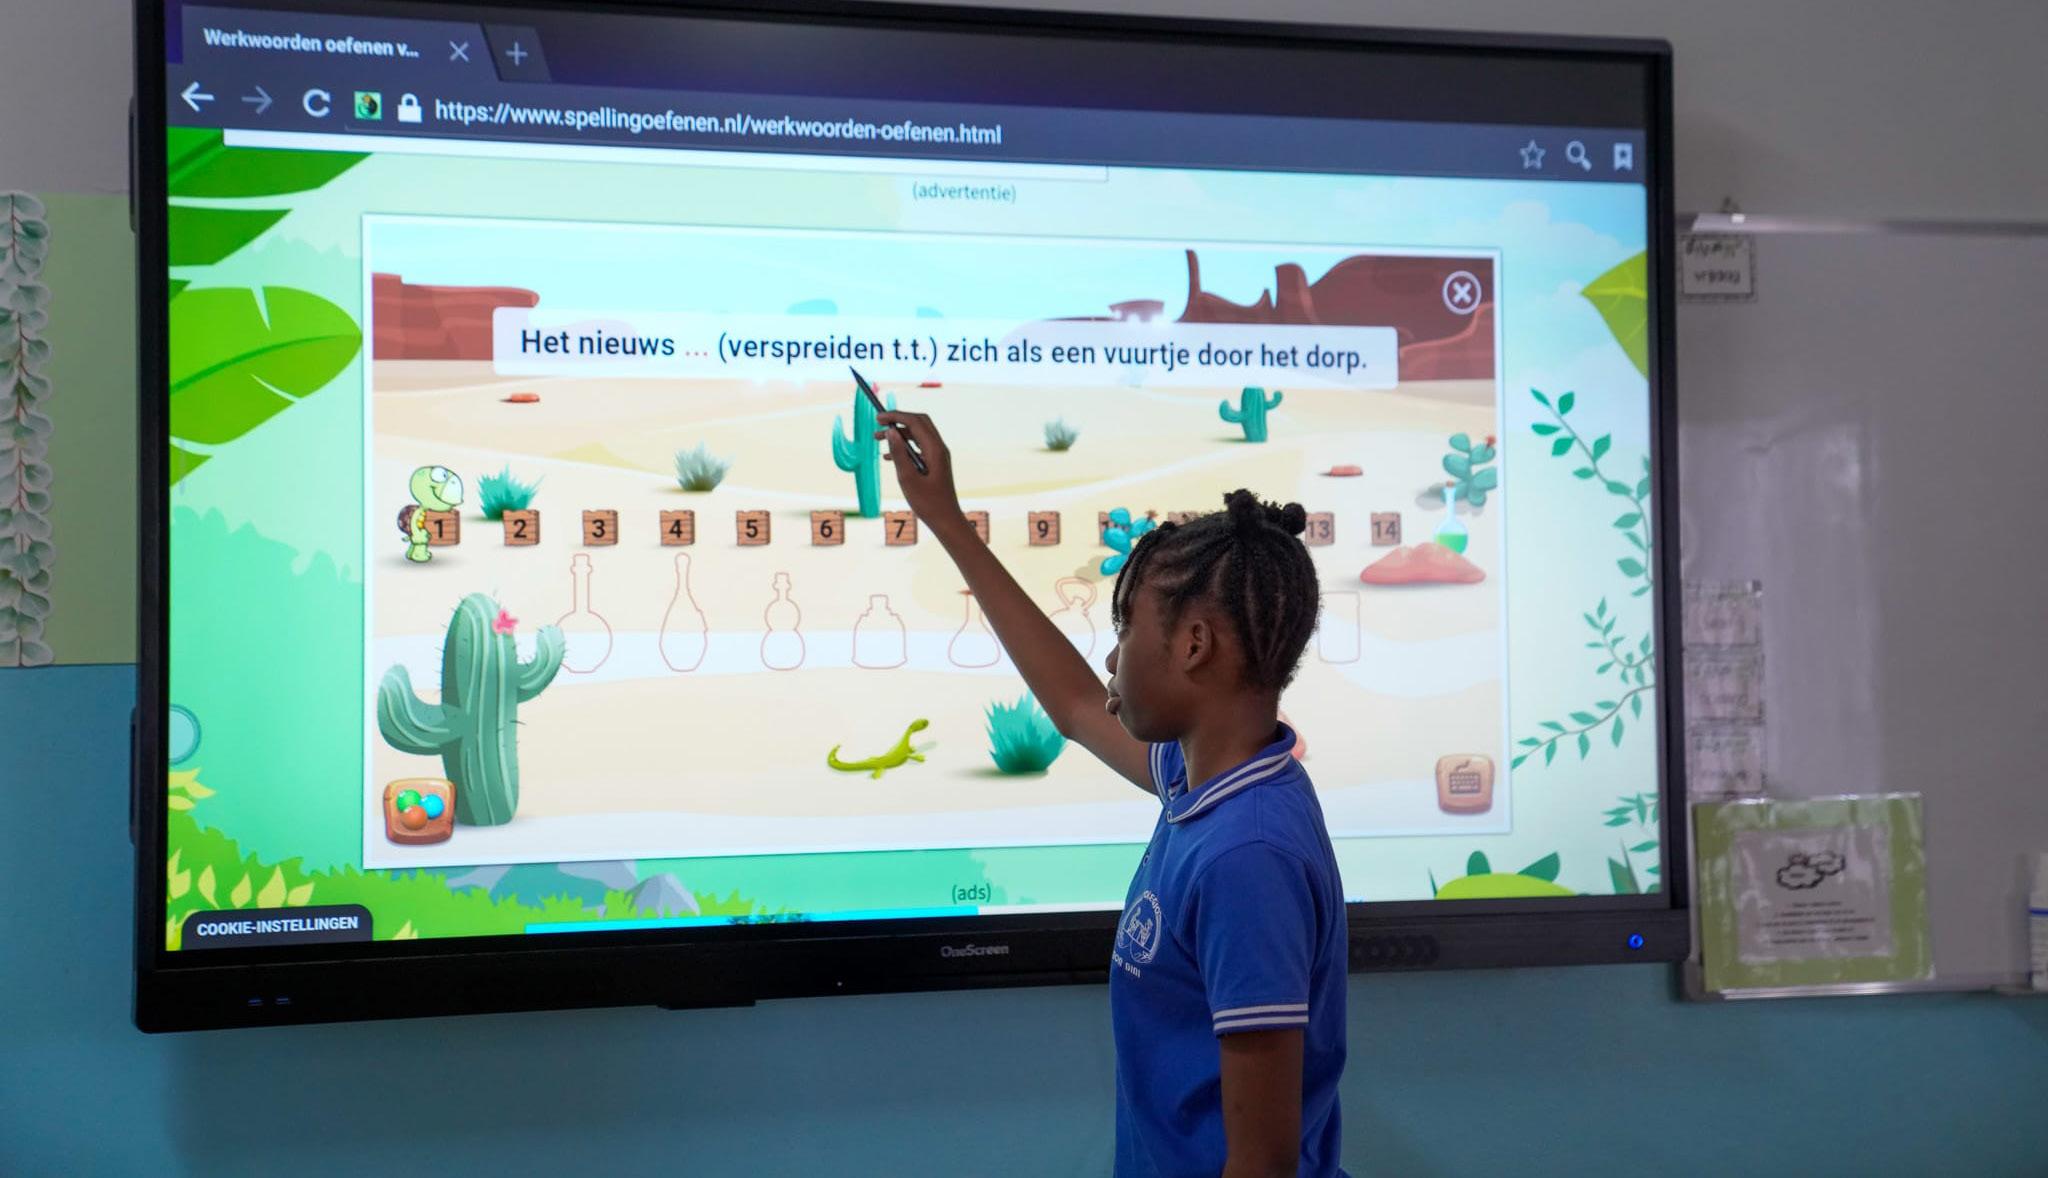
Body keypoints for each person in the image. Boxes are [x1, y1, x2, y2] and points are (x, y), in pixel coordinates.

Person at [875, 409, 1349, 1178]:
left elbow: (1261, 1165)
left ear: (1193, 646)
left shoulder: (1247, 857)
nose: (1111, 655)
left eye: (1125, 628)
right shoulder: (1206, 780)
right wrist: (948, 522)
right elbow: (1074, 704)